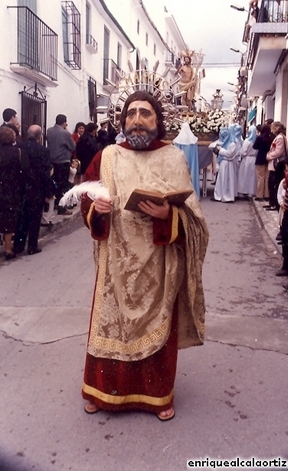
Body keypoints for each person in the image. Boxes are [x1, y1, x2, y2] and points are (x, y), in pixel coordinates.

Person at [80, 90, 209, 421]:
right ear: (122, 121)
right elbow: (85, 196)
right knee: (110, 326)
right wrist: (97, 207)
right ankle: (102, 392)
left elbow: (193, 217)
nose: (137, 120)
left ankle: (156, 396)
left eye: (145, 113)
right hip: (115, 265)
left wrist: (169, 215)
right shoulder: (107, 156)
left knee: (157, 328)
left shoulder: (173, 157)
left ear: (158, 120)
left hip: (159, 263)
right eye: (131, 113)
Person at [0, 126, 29, 259]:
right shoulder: (20, 152)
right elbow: (25, 170)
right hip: (12, 189)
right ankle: (8, 249)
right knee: (9, 217)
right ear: (13, 138)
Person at [14, 125, 52, 255]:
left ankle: (18, 246)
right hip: (37, 188)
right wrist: (48, 192)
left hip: (20, 188)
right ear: (39, 136)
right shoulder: (43, 150)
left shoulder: (18, 148)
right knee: (35, 218)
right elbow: (45, 173)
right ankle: (32, 246)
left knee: (21, 218)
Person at [46, 114, 75, 215]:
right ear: (64, 122)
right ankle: (61, 208)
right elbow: (73, 146)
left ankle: (54, 204)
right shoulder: (65, 133)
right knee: (63, 185)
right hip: (63, 161)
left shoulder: (49, 131)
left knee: (55, 184)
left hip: (52, 162)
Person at [212, 126, 238, 202]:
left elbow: (229, 154)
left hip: (228, 163)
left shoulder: (232, 144)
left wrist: (220, 150)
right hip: (225, 163)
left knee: (227, 180)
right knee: (222, 180)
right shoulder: (227, 143)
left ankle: (227, 196)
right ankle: (219, 195)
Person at [265, 121, 287, 210]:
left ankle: (274, 203)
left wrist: (268, 156)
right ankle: (271, 202)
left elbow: (278, 151)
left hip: (276, 164)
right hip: (273, 164)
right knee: (271, 184)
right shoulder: (278, 137)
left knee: (274, 184)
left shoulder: (280, 138)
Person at [253, 123, 273, 201]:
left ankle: (260, 195)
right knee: (267, 177)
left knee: (260, 178)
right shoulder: (271, 138)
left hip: (260, 157)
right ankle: (266, 195)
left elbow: (255, 146)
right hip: (268, 158)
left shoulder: (259, 137)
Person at [237, 124, 258, 199]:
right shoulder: (256, 141)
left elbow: (243, 152)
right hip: (254, 159)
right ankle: (251, 192)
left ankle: (243, 191)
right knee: (252, 177)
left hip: (246, 160)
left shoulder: (247, 141)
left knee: (244, 175)